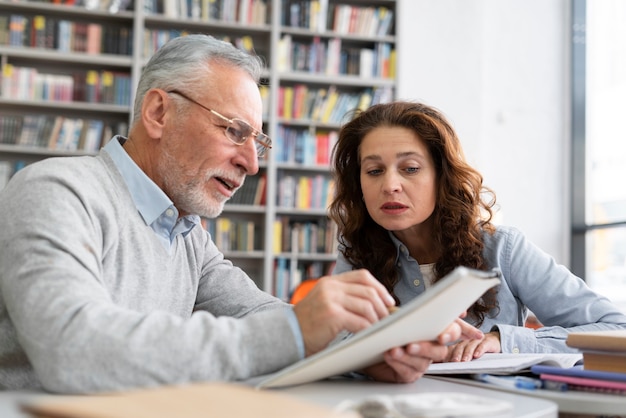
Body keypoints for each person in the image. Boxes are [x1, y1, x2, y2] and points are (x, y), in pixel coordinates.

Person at [0, 36, 480, 394]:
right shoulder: (56, 191)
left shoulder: (185, 230)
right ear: (159, 113)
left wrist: (376, 345)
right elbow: (73, 348)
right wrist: (298, 332)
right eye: (235, 131)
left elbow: (257, 312)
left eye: (259, 143)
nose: (251, 163)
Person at [328, 101, 626, 362]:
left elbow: (617, 331)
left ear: (442, 177)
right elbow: (333, 346)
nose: (390, 185)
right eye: (374, 171)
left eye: (411, 168)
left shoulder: (503, 249)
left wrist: (505, 342)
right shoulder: (356, 254)